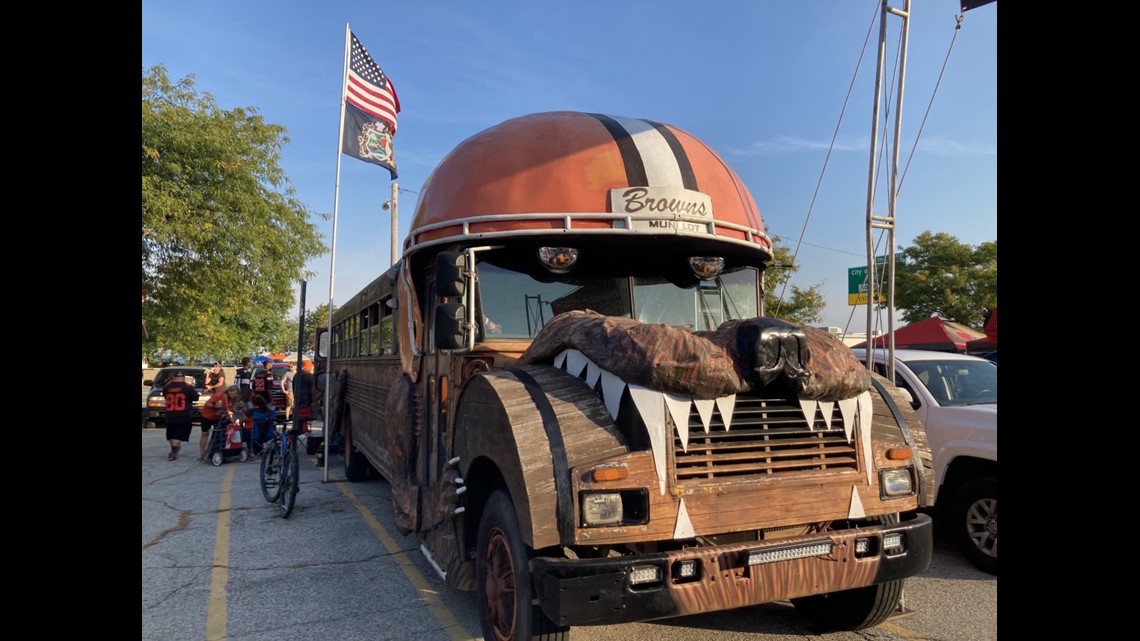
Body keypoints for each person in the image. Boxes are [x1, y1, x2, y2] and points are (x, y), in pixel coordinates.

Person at [162, 371, 200, 461]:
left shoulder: (167, 387)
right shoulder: (188, 387)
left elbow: (165, 395)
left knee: (172, 434)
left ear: (174, 378)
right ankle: (174, 451)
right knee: (178, 435)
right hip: (183, 414)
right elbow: (196, 397)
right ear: (184, 378)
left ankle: (174, 450)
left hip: (170, 414)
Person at [197, 384, 230, 461]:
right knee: (205, 433)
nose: (234, 395)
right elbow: (207, 403)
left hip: (218, 417)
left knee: (219, 433)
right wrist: (214, 406)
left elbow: (228, 411)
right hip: (207, 416)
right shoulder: (219, 395)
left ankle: (217, 451)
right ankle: (202, 454)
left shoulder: (232, 400)